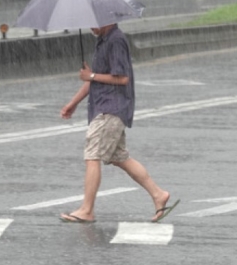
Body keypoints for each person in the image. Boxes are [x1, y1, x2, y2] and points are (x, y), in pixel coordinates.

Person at [59, 23, 178, 224]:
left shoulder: (115, 40)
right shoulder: (103, 40)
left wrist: (92, 75)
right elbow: (94, 79)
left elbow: (122, 78)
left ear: (107, 19)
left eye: (93, 22)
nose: (90, 27)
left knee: (92, 155)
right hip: (104, 107)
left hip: (111, 108)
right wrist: (73, 103)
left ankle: (87, 210)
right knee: (119, 157)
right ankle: (158, 194)